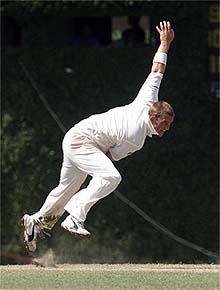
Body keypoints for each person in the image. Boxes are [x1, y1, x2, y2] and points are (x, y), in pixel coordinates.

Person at [22, 21, 175, 252]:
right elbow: (109, 158)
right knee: (111, 177)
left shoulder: (147, 101)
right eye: (165, 123)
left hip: (77, 136)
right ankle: (75, 215)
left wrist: (164, 44)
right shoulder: (136, 138)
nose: (167, 128)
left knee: (66, 187)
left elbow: (156, 70)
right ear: (154, 118)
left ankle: (36, 221)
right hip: (83, 142)